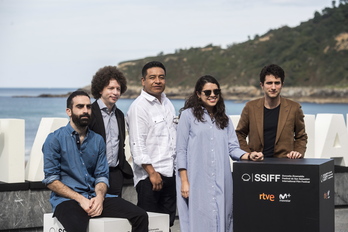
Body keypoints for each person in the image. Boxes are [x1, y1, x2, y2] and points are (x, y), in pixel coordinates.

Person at [42, 90, 148, 232]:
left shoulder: (97, 140)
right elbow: (51, 180)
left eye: (88, 106)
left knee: (140, 216)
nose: (85, 111)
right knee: (77, 226)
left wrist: (99, 197)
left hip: (94, 196)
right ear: (69, 111)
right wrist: (81, 199)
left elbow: (102, 176)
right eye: (80, 107)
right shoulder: (54, 139)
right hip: (67, 201)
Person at [176, 75, 263, 232]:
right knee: (198, 220)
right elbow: (181, 150)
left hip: (221, 180)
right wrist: (184, 181)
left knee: (222, 217)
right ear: (198, 94)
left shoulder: (225, 119)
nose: (212, 95)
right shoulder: (187, 116)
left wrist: (249, 155)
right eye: (207, 92)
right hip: (196, 180)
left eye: (216, 91)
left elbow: (233, 148)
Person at [126, 61, 177, 227]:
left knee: (166, 224)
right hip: (150, 177)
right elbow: (137, 143)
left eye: (161, 77)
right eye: (152, 77)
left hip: (170, 174)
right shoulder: (139, 107)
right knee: (150, 225)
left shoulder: (167, 104)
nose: (157, 81)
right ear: (143, 81)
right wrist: (152, 172)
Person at [236, 64, 308, 159]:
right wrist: (248, 154)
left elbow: (301, 136)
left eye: (277, 83)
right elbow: (239, 134)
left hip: (285, 164)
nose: (273, 87)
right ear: (262, 85)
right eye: (269, 83)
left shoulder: (294, 108)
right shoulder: (250, 107)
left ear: (282, 84)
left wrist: (298, 152)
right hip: (256, 164)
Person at [89, 66, 133, 197]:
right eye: (110, 88)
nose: (115, 92)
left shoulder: (119, 115)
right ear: (100, 89)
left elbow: (120, 144)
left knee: (115, 215)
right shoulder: (90, 112)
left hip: (115, 175)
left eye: (118, 89)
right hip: (94, 175)